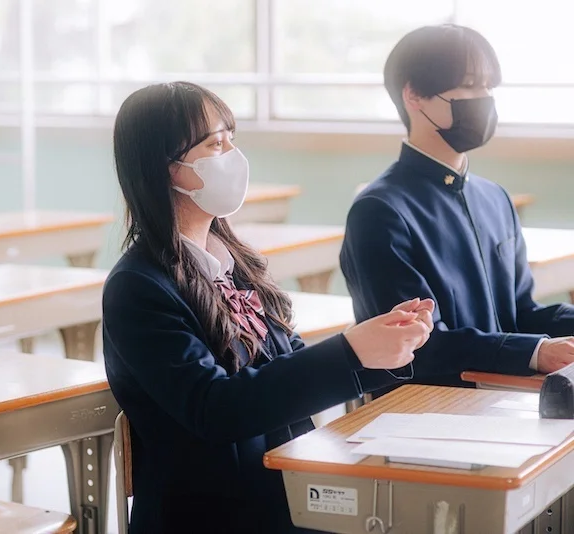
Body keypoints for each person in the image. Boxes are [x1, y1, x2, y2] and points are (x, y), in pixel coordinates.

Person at [103, 81, 434, 533]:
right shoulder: (137, 287)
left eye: (231, 139)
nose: (233, 155)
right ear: (166, 167)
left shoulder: (234, 261)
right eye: (215, 144)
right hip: (211, 516)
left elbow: (286, 365)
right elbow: (215, 409)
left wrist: (381, 348)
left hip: (282, 493)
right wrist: (351, 350)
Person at [340, 24, 574, 397]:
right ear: (414, 95)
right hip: (427, 408)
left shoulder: (494, 197)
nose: (484, 99)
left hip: (500, 396)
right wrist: (536, 351)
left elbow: (520, 312)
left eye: (488, 86)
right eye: (468, 86)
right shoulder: (379, 211)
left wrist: (545, 342)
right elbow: (416, 344)